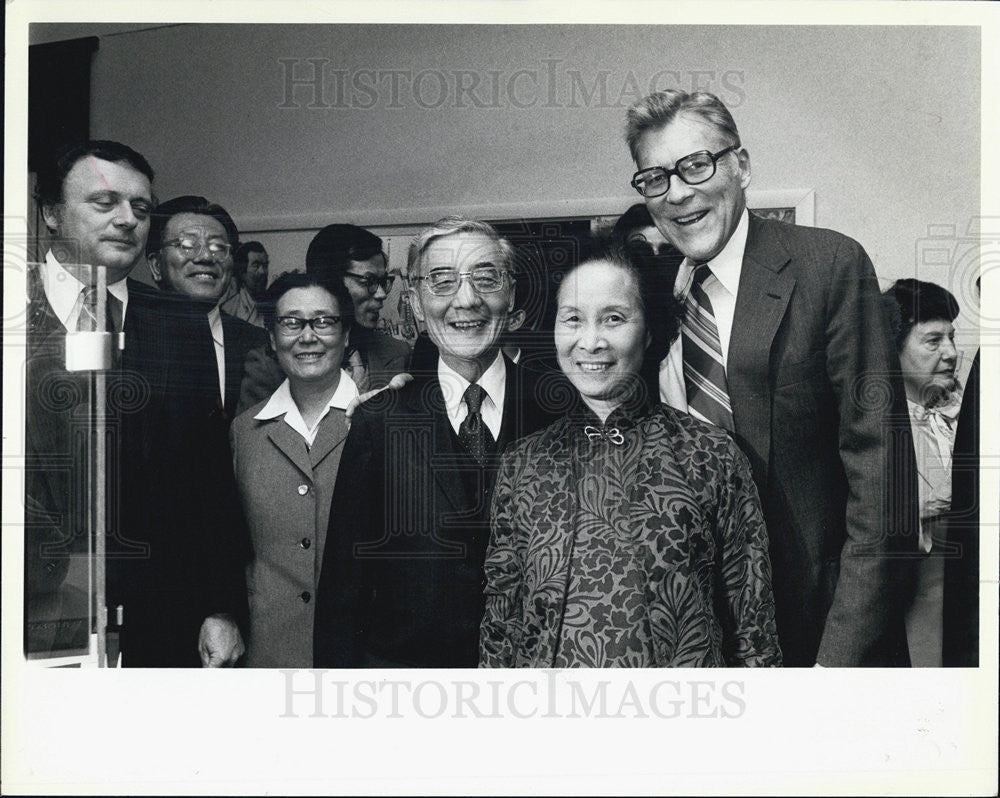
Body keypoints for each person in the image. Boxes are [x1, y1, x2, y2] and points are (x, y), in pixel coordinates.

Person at [625, 89, 917, 666]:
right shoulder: (656, 296)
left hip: (820, 632)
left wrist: (836, 665)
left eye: (696, 165)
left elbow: (885, 487)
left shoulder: (828, 266)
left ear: (742, 165)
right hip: (698, 639)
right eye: (655, 177)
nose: (678, 193)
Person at [480, 247, 781, 667]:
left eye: (613, 318)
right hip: (548, 725)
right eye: (573, 319)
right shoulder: (521, 463)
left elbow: (753, 629)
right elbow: (501, 623)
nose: (590, 341)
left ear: (651, 330)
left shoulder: (711, 456)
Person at [26, 141, 246, 666]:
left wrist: (221, 607)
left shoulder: (178, 320)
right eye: (105, 203)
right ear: (52, 214)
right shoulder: (14, 305)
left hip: (158, 613)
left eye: (141, 208)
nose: (128, 220)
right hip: (29, 609)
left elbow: (207, 476)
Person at [313, 216, 557, 668]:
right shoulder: (379, 421)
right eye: (441, 281)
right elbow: (343, 593)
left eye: (487, 278)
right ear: (416, 306)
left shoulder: (560, 414)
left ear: (513, 294)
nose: (466, 300)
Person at [230, 272, 358, 667]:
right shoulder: (245, 431)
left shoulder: (379, 420)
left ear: (346, 333)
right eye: (291, 322)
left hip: (360, 655)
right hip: (270, 651)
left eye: (323, 321)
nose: (307, 336)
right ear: (271, 337)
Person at [238, 224, 410, 410]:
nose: (381, 294)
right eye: (369, 281)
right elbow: (258, 437)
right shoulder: (269, 366)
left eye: (383, 282)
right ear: (331, 282)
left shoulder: (398, 354)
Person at [882, 278, 963, 667]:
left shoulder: (966, 413)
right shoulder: (876, 432)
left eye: (952, 337)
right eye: (933, 341)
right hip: (910, 600)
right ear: (892, 348)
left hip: (966, 592)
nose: (951, 353)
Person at [146, 195, 267, 419]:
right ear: (156, 265)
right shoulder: (133, 341)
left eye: (218, 247)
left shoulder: (259, 344)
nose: (205, 257)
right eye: (188, 245)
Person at [219, 241, 268, 327]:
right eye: (256, 266)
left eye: (265, 265)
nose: (262, 272)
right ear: (242, 272)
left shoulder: (273, 305)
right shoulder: (230, 310)